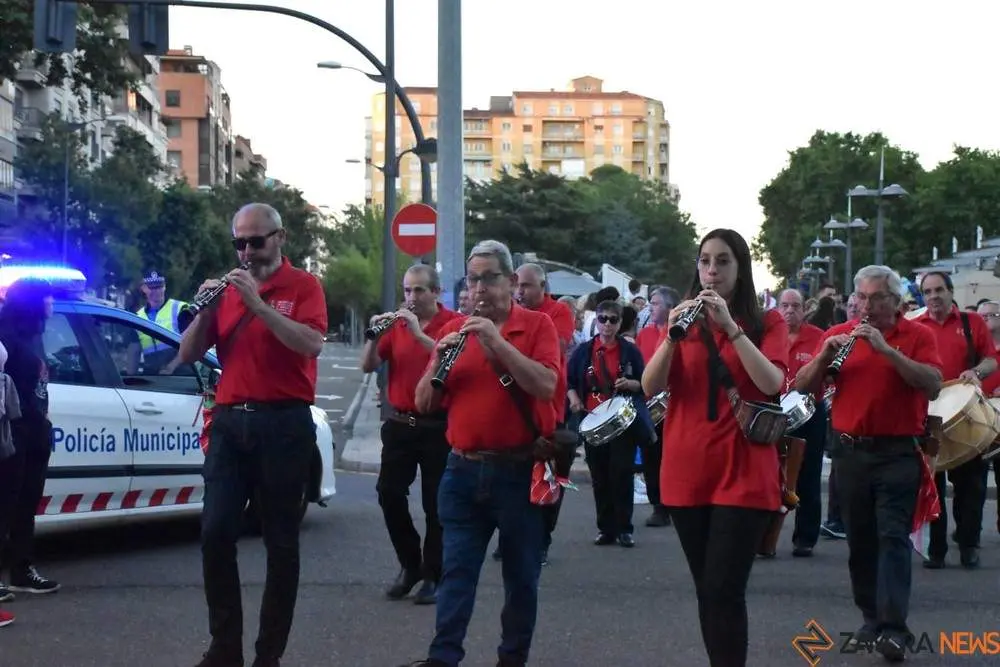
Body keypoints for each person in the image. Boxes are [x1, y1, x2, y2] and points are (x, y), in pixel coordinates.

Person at [179, 202, 327, 667]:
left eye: (256, 241)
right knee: (216, 532)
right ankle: (225, 647)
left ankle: (269, 654)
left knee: (280, 541)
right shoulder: (226, 290)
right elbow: (187, 354)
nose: (247, 251)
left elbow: (310, 344)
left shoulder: (304, 286)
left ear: (280, 237)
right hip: (229, 420)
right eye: (239, 243)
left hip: (283, 422)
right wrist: (205, 312)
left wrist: (258, 306)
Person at [401, 240, 561, 667]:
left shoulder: (538, 325)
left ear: (510, 281)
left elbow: (546, 385)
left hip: (518, 470)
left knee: (521, 578)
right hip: (462, 470)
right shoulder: (455, 332)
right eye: (473, 280)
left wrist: (495, 342)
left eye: (490, 278)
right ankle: (443, 657)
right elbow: (424, 404)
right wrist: (438, 361)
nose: (480, 288)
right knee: (456, 573)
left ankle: (512, 659)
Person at [641, 229, 788, 667]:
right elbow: (651, 387)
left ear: (740, 268)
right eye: (705, 261)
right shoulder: (681, 321)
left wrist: (730, 327)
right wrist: (671, 337)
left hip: (743, 470)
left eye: (723, 261)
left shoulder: (768, 323)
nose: (711, 270)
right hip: (687, 468)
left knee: (725, 588)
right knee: (708, 589)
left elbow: (771, 384)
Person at [795, 265, 942, 662]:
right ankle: (871, 618)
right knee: (860, 541)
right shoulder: (839, 336)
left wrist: (887, 350)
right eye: (861, 297)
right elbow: (801, 388)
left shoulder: (917, 335)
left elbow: (931, 382)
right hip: (850, 452)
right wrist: (825, 353)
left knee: (892, 538)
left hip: (896, 452)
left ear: (895, 301)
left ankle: (895, 628)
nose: (868, 306)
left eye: (877, 298)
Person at [361, 265, 460, 605]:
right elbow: (367, 365)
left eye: (419, 290)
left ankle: (434, 573)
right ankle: (410, 564)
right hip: (401, 422)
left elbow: (453, 358)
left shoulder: (453, 323)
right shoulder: (397, 324)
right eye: (407, 291)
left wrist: (418, 333)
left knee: (436, 504)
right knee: (388, 493)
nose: (411, 298)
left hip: (437, 424)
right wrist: (375, 336)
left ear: (436, 292)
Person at [914, 271, 995, 570]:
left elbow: (990, 358)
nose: (933, 296)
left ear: (950, 292)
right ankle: (936, 550)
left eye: (938, 290)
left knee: (970, 486)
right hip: (928, 415)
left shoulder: (971, 323)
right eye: (927, 292)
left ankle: (968, 543)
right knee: (930, 483)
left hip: (965, 414)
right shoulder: (915, 326)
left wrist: (977, 373)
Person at [569, 299, 653, 548]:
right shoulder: (584, 351)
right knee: (600, 476)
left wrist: (631, 385)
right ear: (596, 321)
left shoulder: (630, 352)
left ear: (619, 323)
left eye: (612, 320)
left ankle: (624, 528)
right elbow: (570, 382)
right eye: (602, 319)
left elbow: (646, 384)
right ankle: (605, 528)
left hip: (621, 423)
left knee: (622, 475)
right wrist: (574, 400)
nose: (607, 324)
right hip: (592, 420)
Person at [510, 263, 574, 564]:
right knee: (515, 479)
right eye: (517, 286)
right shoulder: (509, 313)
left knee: (548, 479)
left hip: (550, 409)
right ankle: (515, 536)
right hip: (514, 409)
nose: (520, 292)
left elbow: (556, 346)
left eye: (526, 286)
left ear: (542, 288)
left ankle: (542, 538)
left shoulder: (558, 312)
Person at [0, 278, 60, 598]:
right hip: (11, 431)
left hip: (36, 430)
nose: (51, 305)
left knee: (26, 504)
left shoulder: (36, 334)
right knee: (4, 504)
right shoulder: (4, 335)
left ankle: (22, 570)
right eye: (47, 299)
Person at [774, 288, 826, 558]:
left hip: (810, 414)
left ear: (805, 309)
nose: (790, 311)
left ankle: (805, 538)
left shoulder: (818, 337)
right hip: (774, 411)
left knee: (808, 476)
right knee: (769, 474)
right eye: (785, 305)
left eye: (795, 306)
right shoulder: (771, 336)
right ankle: (764, 536)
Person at [634, 287, 676, 527]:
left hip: (674, 404)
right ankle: (658, 505)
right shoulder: (645, 334)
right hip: (650, 404)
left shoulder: (678, 332)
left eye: (656, 303)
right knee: (651, 455)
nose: (651, 306)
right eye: (651, 302)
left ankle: (673, 503)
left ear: (670, 308)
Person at [134, 270, 188, 374]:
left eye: (159, 287)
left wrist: (171, 367)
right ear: (143, 288)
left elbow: (190, 342)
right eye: (152, 288)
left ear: (165, 286)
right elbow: (134, 351)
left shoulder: (180, 309)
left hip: (181, 375)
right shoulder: (138, 316)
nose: (157, 291)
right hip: (152, 377)